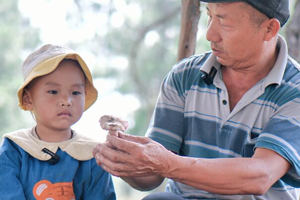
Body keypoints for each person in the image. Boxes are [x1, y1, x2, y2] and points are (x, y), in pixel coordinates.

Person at [93, 0, 300, 199]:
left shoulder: (296, 90)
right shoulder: (184, 76)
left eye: (224, 21)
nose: (210, 33)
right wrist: (124, 157)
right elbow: (151, 176)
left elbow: (260, 176)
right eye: (209, 15)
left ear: (269, 29)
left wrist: (167, 163)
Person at [0, 44, 116, 200]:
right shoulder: (14, 149)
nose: (66, 101)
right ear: (28, 98)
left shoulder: (93, 155)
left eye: (75, 92)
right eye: (53, 92)